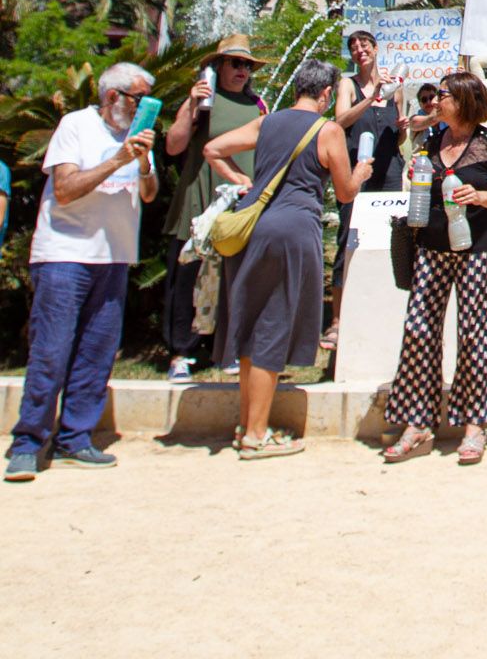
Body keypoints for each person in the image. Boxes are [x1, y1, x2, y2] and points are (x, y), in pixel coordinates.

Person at [206, 57, 371, 459]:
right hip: (294, 230)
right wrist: (362, 171)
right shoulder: (328, 129)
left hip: (255, 228)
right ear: (327, 94)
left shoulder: (267, 122)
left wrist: (243, 181)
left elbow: (213, 148)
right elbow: (346, 192)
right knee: (272, 327)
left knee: (251, 326)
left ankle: (248, 424)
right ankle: (256, 436)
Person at [5, 63, 159, 481]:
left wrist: (143, 164)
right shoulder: (76, 126)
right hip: (65, 256)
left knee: (96, 353)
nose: (147, 108)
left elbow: (149, 194)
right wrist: (118, 160)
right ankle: (28, 443)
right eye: (140, 99)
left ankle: (75, 437)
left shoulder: (138, 137)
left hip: (113, 257)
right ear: (113, 96)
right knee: (51, 352)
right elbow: (65, 189)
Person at [384, 70, 487, 464]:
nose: (435, 100)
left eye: (443, 95)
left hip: (475, 247)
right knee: (419, 330)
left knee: (476, 334)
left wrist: (479, 196)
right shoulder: (431, 140)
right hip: (430, 245)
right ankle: (417, 421)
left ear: (463, 100)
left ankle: (474, 425)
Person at [161, 33, 267, 381]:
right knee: (188, 275)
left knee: (236, 278)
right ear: (217, 66)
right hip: (201, 196)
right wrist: (192, 107)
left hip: (241, 202)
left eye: (247, 65)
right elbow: (174, 146)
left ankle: (226, 348)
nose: (242, 70)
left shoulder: (258, 105)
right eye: (235, 63)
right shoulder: (203, 101)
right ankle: (181, 351)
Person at [324, 28, 404, 349]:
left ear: (375, 48)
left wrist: (404, 127)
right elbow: (340, 120)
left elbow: (399, 136)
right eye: (354, 47)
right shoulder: (348, 84)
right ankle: (337, 319)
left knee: (394, 236)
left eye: (365, 45)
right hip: (356, 170)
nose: (360, 50)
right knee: (349, 236)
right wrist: (371, 98)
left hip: (390, 170)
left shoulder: (394, 86)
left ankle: (386, 307)